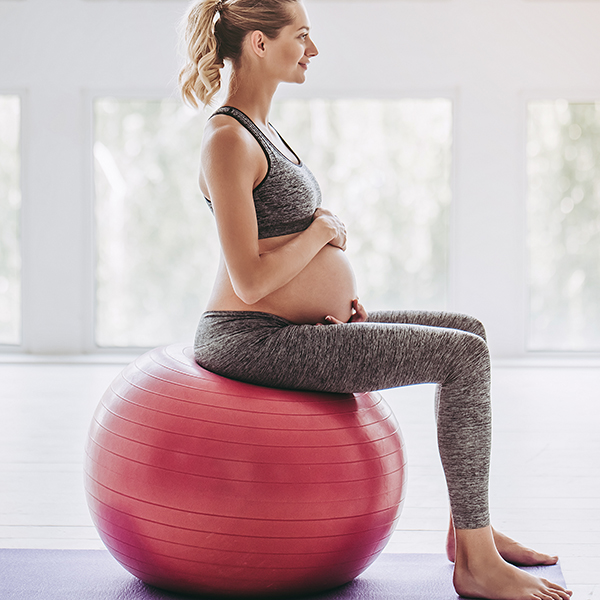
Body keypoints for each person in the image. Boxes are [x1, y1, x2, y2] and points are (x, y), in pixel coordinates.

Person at [179, 1, 572, 598]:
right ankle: (476, 564)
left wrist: (335, 293)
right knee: (461, 358)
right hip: (250, 339)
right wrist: (321, 234)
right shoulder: (226, 139)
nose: (313, 50)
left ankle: (467, 533)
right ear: (259, 44)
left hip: (296, 327)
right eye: (302, 36)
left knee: (469, 331)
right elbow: (251, 280)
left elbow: (281, 251)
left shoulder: (263, 131)